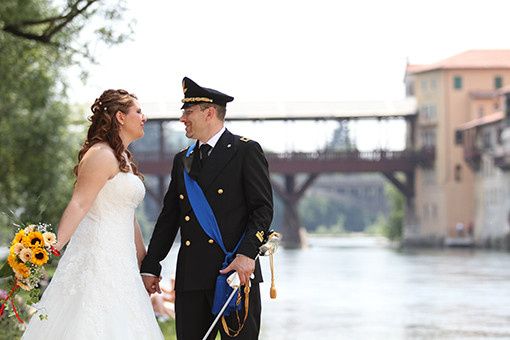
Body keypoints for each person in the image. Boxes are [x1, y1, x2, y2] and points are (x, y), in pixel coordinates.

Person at [22, 89, 164, 340]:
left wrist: (145, 263)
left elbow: (128, 216)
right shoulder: (101, 154)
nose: (144, 117)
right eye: (138, 112)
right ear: (120, 117)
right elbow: (79, 204)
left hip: (124, 264)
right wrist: (50, 249)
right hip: (97, 258)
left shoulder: (123, 159)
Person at [141, 77, 273, 340]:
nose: (182, 119)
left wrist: (247, 255)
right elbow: (170, 218)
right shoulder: (183, 160)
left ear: (209, 113)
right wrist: (151, 265)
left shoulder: (245, 151)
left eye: (188, 112)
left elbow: (262, 210)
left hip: (235, 274)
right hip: (191, 277)